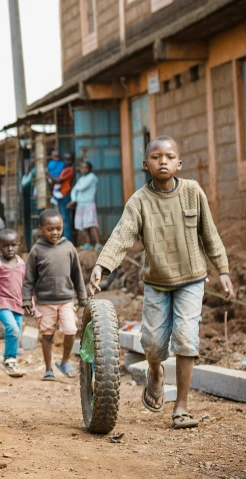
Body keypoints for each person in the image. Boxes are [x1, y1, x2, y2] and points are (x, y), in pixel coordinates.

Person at [89, 136, 234, 430]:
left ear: (179, 163)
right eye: (156, 157)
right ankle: (155, 372)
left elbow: (210, 233)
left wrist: (224, 270)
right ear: (146, 164)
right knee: (153, 343)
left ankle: (180, 406)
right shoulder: (139, 201)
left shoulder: (193, 192)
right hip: (156, 280)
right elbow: (121, 236)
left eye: (169, 156)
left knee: (186, 338)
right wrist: (102, 265)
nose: (163, 161)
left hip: (192, 279)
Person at [22, 209, 87, 381]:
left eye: (58, 228)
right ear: (41, 229)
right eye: (50, 229)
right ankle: (49, 368)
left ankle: (64, 361)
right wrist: (26, 299)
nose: (55, 232)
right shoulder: (36, 250)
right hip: (45, 302)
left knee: (71, 330)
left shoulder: (68, 247)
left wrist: (83, 297)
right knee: (47, 335)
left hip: (66, 299)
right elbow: (28, 279)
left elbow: (77, 275)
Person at [0, 229, 26, 378]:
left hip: (18, 303)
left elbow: (26, 285)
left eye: (13, 245)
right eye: (5, 246)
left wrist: (30, 302)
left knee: (17, 332)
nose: (10, 249)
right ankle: (9, 360)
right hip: (1, 302)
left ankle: (12, 356)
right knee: (12, 329)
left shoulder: (21, 263)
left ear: (19, 245)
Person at [68, 161, 101, 250]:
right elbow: (74, 190)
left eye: (84, 167)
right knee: (84, 224)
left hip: (88, 203)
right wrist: (74, 199)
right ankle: (88, 243)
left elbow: (79, 188)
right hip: (81, 204)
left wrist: (76, 188)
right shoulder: (82, 178)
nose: (82, 169)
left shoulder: (92, 178)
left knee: (92, 223)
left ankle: (98, 243)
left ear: (89, 169)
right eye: (81, 167)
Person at [55, 152, 76, 242]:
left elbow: (58, 180)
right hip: (61, 195)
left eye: (69, 159)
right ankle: (64, 239)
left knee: (65, 218)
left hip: (65, 195)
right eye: (66, 159)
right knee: (62, 218)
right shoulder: (65, 169)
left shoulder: (69, 170)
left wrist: (48, 174)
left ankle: (67, 240)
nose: (68, 161)